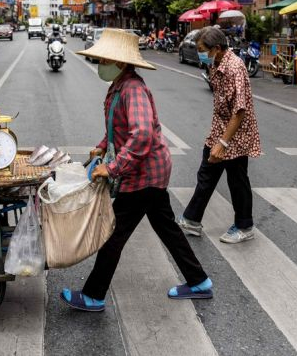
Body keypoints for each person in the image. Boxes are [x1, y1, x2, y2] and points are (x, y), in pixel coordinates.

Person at [60, 29, 212, 312]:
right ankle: (199, 281)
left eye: (104, 59)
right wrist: (101, 146)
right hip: (148, 173)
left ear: (119, 62)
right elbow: (119, 128)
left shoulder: (133, 89)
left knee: (113, 233)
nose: (100, 64)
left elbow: (141, 134)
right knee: (166, 228)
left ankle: (94, 295)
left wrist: (113, 168)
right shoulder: (119, 86)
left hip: (145, 175)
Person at [178, 26, 261, 244]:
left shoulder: (235, 68)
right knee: (207, 172)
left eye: (202, 49)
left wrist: (223, 143)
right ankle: (191, 219)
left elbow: (240, 110)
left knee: (237, 179)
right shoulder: (215, 64)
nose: (200, 53)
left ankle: (244, 226)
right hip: (220, 128)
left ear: (216, 48)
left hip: (236, 133)